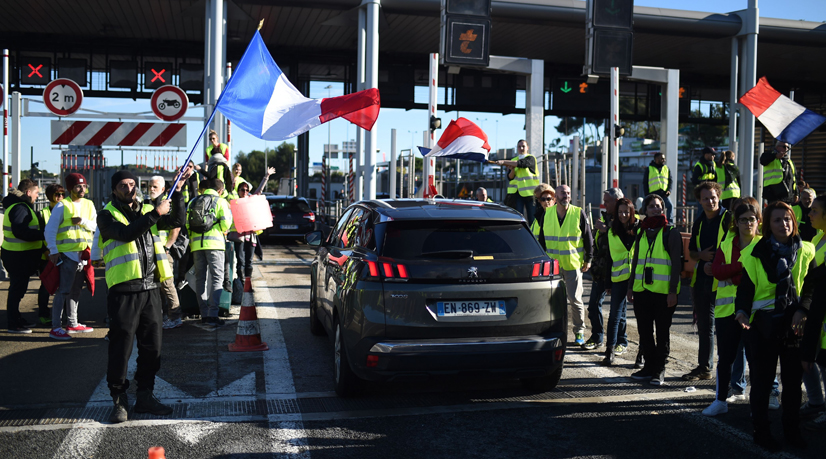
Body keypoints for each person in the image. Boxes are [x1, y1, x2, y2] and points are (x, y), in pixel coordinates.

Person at [94, 169, 187, 424]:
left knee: (152, 347)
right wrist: (154, 214)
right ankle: (119, 399)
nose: (129, 188)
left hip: (150, 289)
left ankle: (145, 395)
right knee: (121, 348)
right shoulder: (106, 215)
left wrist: (178, 193)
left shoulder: (147, 209)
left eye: (132, 184)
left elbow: (176, 220)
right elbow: (126, 234)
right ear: (114, 190)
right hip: (124, 291)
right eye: (123, 185)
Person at [734, 201, 815, 452]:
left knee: (792, 384)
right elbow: (746, 289)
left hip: (794, 324)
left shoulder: (806, 250)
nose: (784, 224)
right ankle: (761, 432)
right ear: (767, 225)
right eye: (777, 220)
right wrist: (741, 313)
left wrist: (802, 310)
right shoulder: (754, 252)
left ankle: (792, 432)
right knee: (762, 382)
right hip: (762, 325)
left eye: (788, 219)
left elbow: (811, 287)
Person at [702, 198, 762, 416]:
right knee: (725, 358)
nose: (747, 223)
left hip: (754, 312)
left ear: (758, 222)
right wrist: (741, 267)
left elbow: (753, 278)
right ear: (736, 222)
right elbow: (717, 271)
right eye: (743, 220)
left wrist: (732, 270)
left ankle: (758, 404)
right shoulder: (727, 244)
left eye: (752, 219)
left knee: (756, 360)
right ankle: (720, 401)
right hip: (727, 311)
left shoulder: (763, 245)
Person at [628, 194, 683, 385]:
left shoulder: (670, 232)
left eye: (659, 206)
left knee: (662, 332)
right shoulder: (641, 231)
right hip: (642, 290)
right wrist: (630, 288)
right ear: (645, 211)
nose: (656, 209)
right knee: (644, 331)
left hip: (663, 293)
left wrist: (673, 291)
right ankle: (649, 367)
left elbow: (676, 264)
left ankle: (660, 369)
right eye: (651, 206)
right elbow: (635, 261)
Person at [684, 181, 732, 381]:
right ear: (700, 201)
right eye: (705, 198)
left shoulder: (729, 219)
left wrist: (718, 265)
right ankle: (705, 367)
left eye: (713, 197)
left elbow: (735, 245)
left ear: (719, 196)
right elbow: (693, 252)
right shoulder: (699, 221)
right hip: (703, 281)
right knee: (705, 327)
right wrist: (701, 256)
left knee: (726, 329)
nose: (710, 201)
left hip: (725, 281)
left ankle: (728, 372)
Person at [45, 173, 97, 340]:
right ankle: (55, 327)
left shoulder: (89, 204)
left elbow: (95, 226)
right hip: (67, 255)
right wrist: (53, 251)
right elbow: (50, 230)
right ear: (70, 188)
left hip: (83, 254)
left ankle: (73, 323)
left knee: (75, 291)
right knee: (64, 291)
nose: (82, 189)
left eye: (84, 186)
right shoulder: (62, 206)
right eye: (78, 186)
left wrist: (82, 221)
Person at [543, 185, 593, 345]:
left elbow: (588, 237)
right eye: (563, 193)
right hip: (553, 266)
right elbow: (542, 240)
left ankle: (579, 332)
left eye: (568, 193)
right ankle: (555, 330)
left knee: (575, 300)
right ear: (556, 197)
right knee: (553, 301)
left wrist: (589, 259)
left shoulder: (578, 213)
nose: (566, 196)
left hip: (572, 265)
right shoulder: (548, 214)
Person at [2, 179, 46, 333]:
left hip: (17, 255)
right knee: (17, 290)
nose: (37, 197)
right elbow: (20, 231)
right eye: (36, 193)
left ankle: (17, 318)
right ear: (28, 193)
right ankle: (13, 324)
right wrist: (43, 234)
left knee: (18, 289)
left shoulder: (19, 206)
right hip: (17, 256)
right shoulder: (20, 208)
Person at [188, 178, 233, 328]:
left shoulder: (193, 201)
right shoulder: (220, 201)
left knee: (200, 279)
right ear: (220, 190)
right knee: (217, 278)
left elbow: (187, 224)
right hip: (215, 244)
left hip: (196, 245)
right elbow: (226, 223)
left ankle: (204, 314)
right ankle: (213, 315)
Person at [583, 188, 624, 350]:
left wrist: (606, 230)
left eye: (607, 201)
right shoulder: (604, 218)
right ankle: (597, 336)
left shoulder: (625, 217)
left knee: (618, 312)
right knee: (593, 305)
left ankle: (621, 342)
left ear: (617, 201)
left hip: (618, 271)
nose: (604, 204)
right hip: (601, 271)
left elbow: (625, 238)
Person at [799, 195, 826, 429]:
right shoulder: (817, 238)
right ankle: (817, 402)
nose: (809, 214)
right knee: (807, 357)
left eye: (815, 211)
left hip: (822, 312)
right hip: (815, 309)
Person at [601, 197, 637, 365]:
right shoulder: (611, 231)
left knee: (641, 317)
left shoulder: (639, 229)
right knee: (614, 315)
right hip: (619, 279)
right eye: (620, 211)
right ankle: (610, 350)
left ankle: (642, 354)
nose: (623, 214)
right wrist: (607, 283)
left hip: (638, 279)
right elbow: (609, 258)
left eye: (626, 211)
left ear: (631, 212)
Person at [147, 176, 183, 330]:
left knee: (167, 285)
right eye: (150, 186)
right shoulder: (148, 204)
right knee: (156, 287)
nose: (151, 189)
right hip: (152, 252)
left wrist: (167, 246)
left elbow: (176, 226)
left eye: (155, 186)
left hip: (163, 252)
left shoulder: (166, 203)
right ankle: (162, 316)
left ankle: (175, 317)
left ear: (162, 189)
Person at [231, 167, 275, 285]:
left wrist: (266, 176)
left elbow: (259, 191)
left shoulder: (251, 200)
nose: (244, 192)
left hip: (251, 236)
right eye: (242, 189)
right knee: (240, 261)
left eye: (246, 190)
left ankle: (247, 282)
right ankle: (240, 282)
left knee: (249, 261)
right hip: (239, 236)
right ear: (238, 191)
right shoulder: (234, 201)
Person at [489, 140, 539, 224]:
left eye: (523, 146)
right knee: (518, 218)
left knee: (532, 219)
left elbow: (522, 164)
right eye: (519, 146)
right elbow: (510, 177)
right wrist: (512, 170)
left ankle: (533, 236)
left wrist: (504, 162)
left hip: (530, 194)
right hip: (517, 193)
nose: (521, 148)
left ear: (527, 148)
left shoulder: (531, 158)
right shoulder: (513, 160)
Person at [36, 184, 65, 326]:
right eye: (57, 194)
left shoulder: (67, 210)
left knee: (65, 285)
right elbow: (41, 235)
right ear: (49, 196)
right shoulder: (43, 213)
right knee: (46, 286)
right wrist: (47, 252)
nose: (60, 197)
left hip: (64, 254)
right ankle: (43, 315)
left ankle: (64, 315)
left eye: (62, 194)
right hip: (48, 256)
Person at [760, 140, 798, 205]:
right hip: (773, 194)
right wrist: (775, 156)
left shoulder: (789, 161)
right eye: (784, 147)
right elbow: (763, 160)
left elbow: (794, 178)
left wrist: (796, 193)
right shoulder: (770, 156)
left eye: (787, 147)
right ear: (777, 147)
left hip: (787, 196)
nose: (786, 149)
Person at [643, 152, 673, 222]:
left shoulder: (666, 168)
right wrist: (647, 194)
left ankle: (669, 222)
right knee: (650, 207)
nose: (664, 160)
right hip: (653, 194)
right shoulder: (649, 169)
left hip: (663, 193)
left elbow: (670, 180)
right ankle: (649, 220)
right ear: (656, 159)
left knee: (670, 206)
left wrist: (669, 190)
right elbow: (645, 182)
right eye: (662, 158)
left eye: (664, 159)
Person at [530, 184, 554, 250]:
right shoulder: (539, 215)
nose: (539, 201)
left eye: (548, 198)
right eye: (541, 199)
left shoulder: (555, 214)